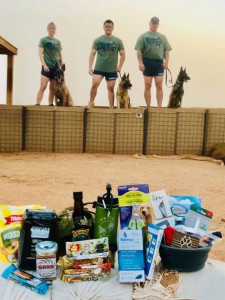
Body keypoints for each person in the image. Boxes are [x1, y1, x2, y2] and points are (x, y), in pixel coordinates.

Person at [135, 17, 172, 108]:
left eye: (156, 23)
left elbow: (167, 51)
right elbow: (139, 50)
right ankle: (148, 107)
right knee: (147, 85)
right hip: (147, 62)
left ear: (158, 25)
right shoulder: (143, 36)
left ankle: (159, 107)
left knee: (159, 85)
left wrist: (166, 63)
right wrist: (140, 63)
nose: (154, 25)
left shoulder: (162, 37)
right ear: (149, 23)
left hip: (159, 63)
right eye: (153, 23)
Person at [88, 20, 125, 108]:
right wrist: (90, 67)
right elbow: (92, 53)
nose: (108, 28)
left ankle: (111, 107)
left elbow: (123, 54)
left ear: (112, 28)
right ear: (103, 27)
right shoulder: (98, 40)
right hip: (99, 68)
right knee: (94, 85)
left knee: (111, 88)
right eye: (106, 26)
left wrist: (120, 66)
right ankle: (91, 103)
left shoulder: (118, 41)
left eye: (110, 26)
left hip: (111, 69)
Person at [36, 22, 63, 105]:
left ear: (55, 30)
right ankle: (37, 104)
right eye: (50, 28)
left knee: (52, 88)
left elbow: (59, 54)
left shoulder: (58, 42)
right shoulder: (44, 40)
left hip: (56, 68)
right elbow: (40, 53)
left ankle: (50, 104)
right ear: (48, 29)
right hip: (47, 67)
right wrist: (44, 65)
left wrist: (61, 64)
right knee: (43, 86)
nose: (52, 30)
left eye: (53, 28)